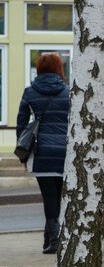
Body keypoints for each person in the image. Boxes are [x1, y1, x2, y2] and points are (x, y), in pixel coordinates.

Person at [17, 53, 70, 254]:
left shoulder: (30, 92)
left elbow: (22, 124)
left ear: (39, 69)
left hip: (41, 153)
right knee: (61, 197)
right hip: (66, 153)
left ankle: (53, 240)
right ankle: (52, 239)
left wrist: (23, 153)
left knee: (49, 197)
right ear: (59, 69)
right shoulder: (69, 92)